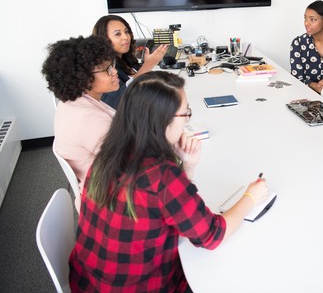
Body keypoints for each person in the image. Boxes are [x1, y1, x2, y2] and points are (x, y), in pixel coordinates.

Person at [69, 71, 269, 291]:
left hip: (89, 282)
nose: (187, 121)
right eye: (186, 114)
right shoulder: (161, 175)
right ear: (163, 121)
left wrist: (187, 167)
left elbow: (164, 207)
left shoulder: (108, 154)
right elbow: (212, 235)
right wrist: (251, 196)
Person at [41, 35, 118, 201]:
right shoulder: (89, 119)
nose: (114, 72)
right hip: (109, 199)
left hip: (98, 185)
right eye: (107, 69)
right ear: (82, 78)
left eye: (112, 65)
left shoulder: (72, 102)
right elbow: (130, 165)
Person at [92, 14, 168, 109]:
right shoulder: (104, 70)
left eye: (126, 32)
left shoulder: (128, 60)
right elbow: (120, 102)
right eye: (117, 34)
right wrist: (148, 66)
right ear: (104, 39)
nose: (125, 37)